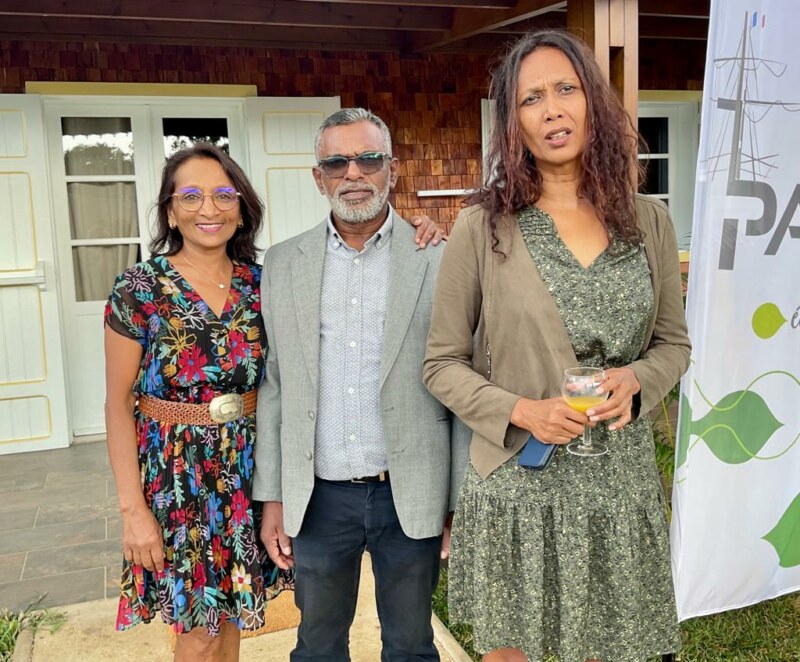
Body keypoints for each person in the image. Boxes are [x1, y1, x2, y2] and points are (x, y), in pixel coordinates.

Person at [104, 142, 443, 661]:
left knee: (234, 615)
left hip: (244, 478)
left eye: (223, 195)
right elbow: (116, 402)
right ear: (170, 210)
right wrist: (133, 511)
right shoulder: (140, 288)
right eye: (190, 196)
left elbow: (285, 378)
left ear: (242, 207)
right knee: (198, 631)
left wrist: (418, 227)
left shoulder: (260, 280)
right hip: (178, 480)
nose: (208, 209)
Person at [423, 30, 690, 662]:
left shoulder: (647, 220)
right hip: (521, 480)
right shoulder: (482, 226)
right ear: (512, 123)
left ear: (593, 102)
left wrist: (638, 381)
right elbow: (440, 363)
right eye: (530, 98)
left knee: (603, 649)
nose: (552, 110)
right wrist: (521, 410)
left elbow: (673, 344)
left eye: (566, 89)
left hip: (616, 489)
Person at [252, 108, 470, 661]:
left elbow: (463, 379)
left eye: (368, 158)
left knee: (411, 647)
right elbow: (276, 386)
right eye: (336, 161)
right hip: (319, 495)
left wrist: (458, 499)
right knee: (318, 646)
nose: (354, 173)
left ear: (391, 169)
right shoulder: (282, 264)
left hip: (411, 490)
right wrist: (273, 495)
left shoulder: (439, 257)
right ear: (318, 176)